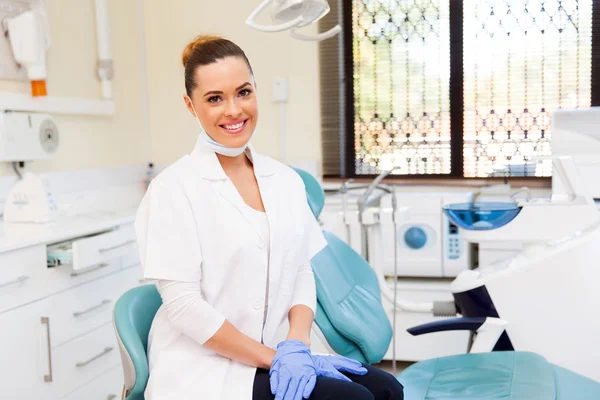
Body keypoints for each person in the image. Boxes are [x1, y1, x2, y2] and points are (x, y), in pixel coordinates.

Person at [134, 34, 405, 400]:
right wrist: (275, 358)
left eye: (243, 92)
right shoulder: (173, 189)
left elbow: (301, 271)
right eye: (215, 99)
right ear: (190, 105)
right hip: (204, 366)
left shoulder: (285, 180)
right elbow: (184, 308)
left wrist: (297, 345)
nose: (233, 110)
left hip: (277, 348)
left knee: (387, 388)